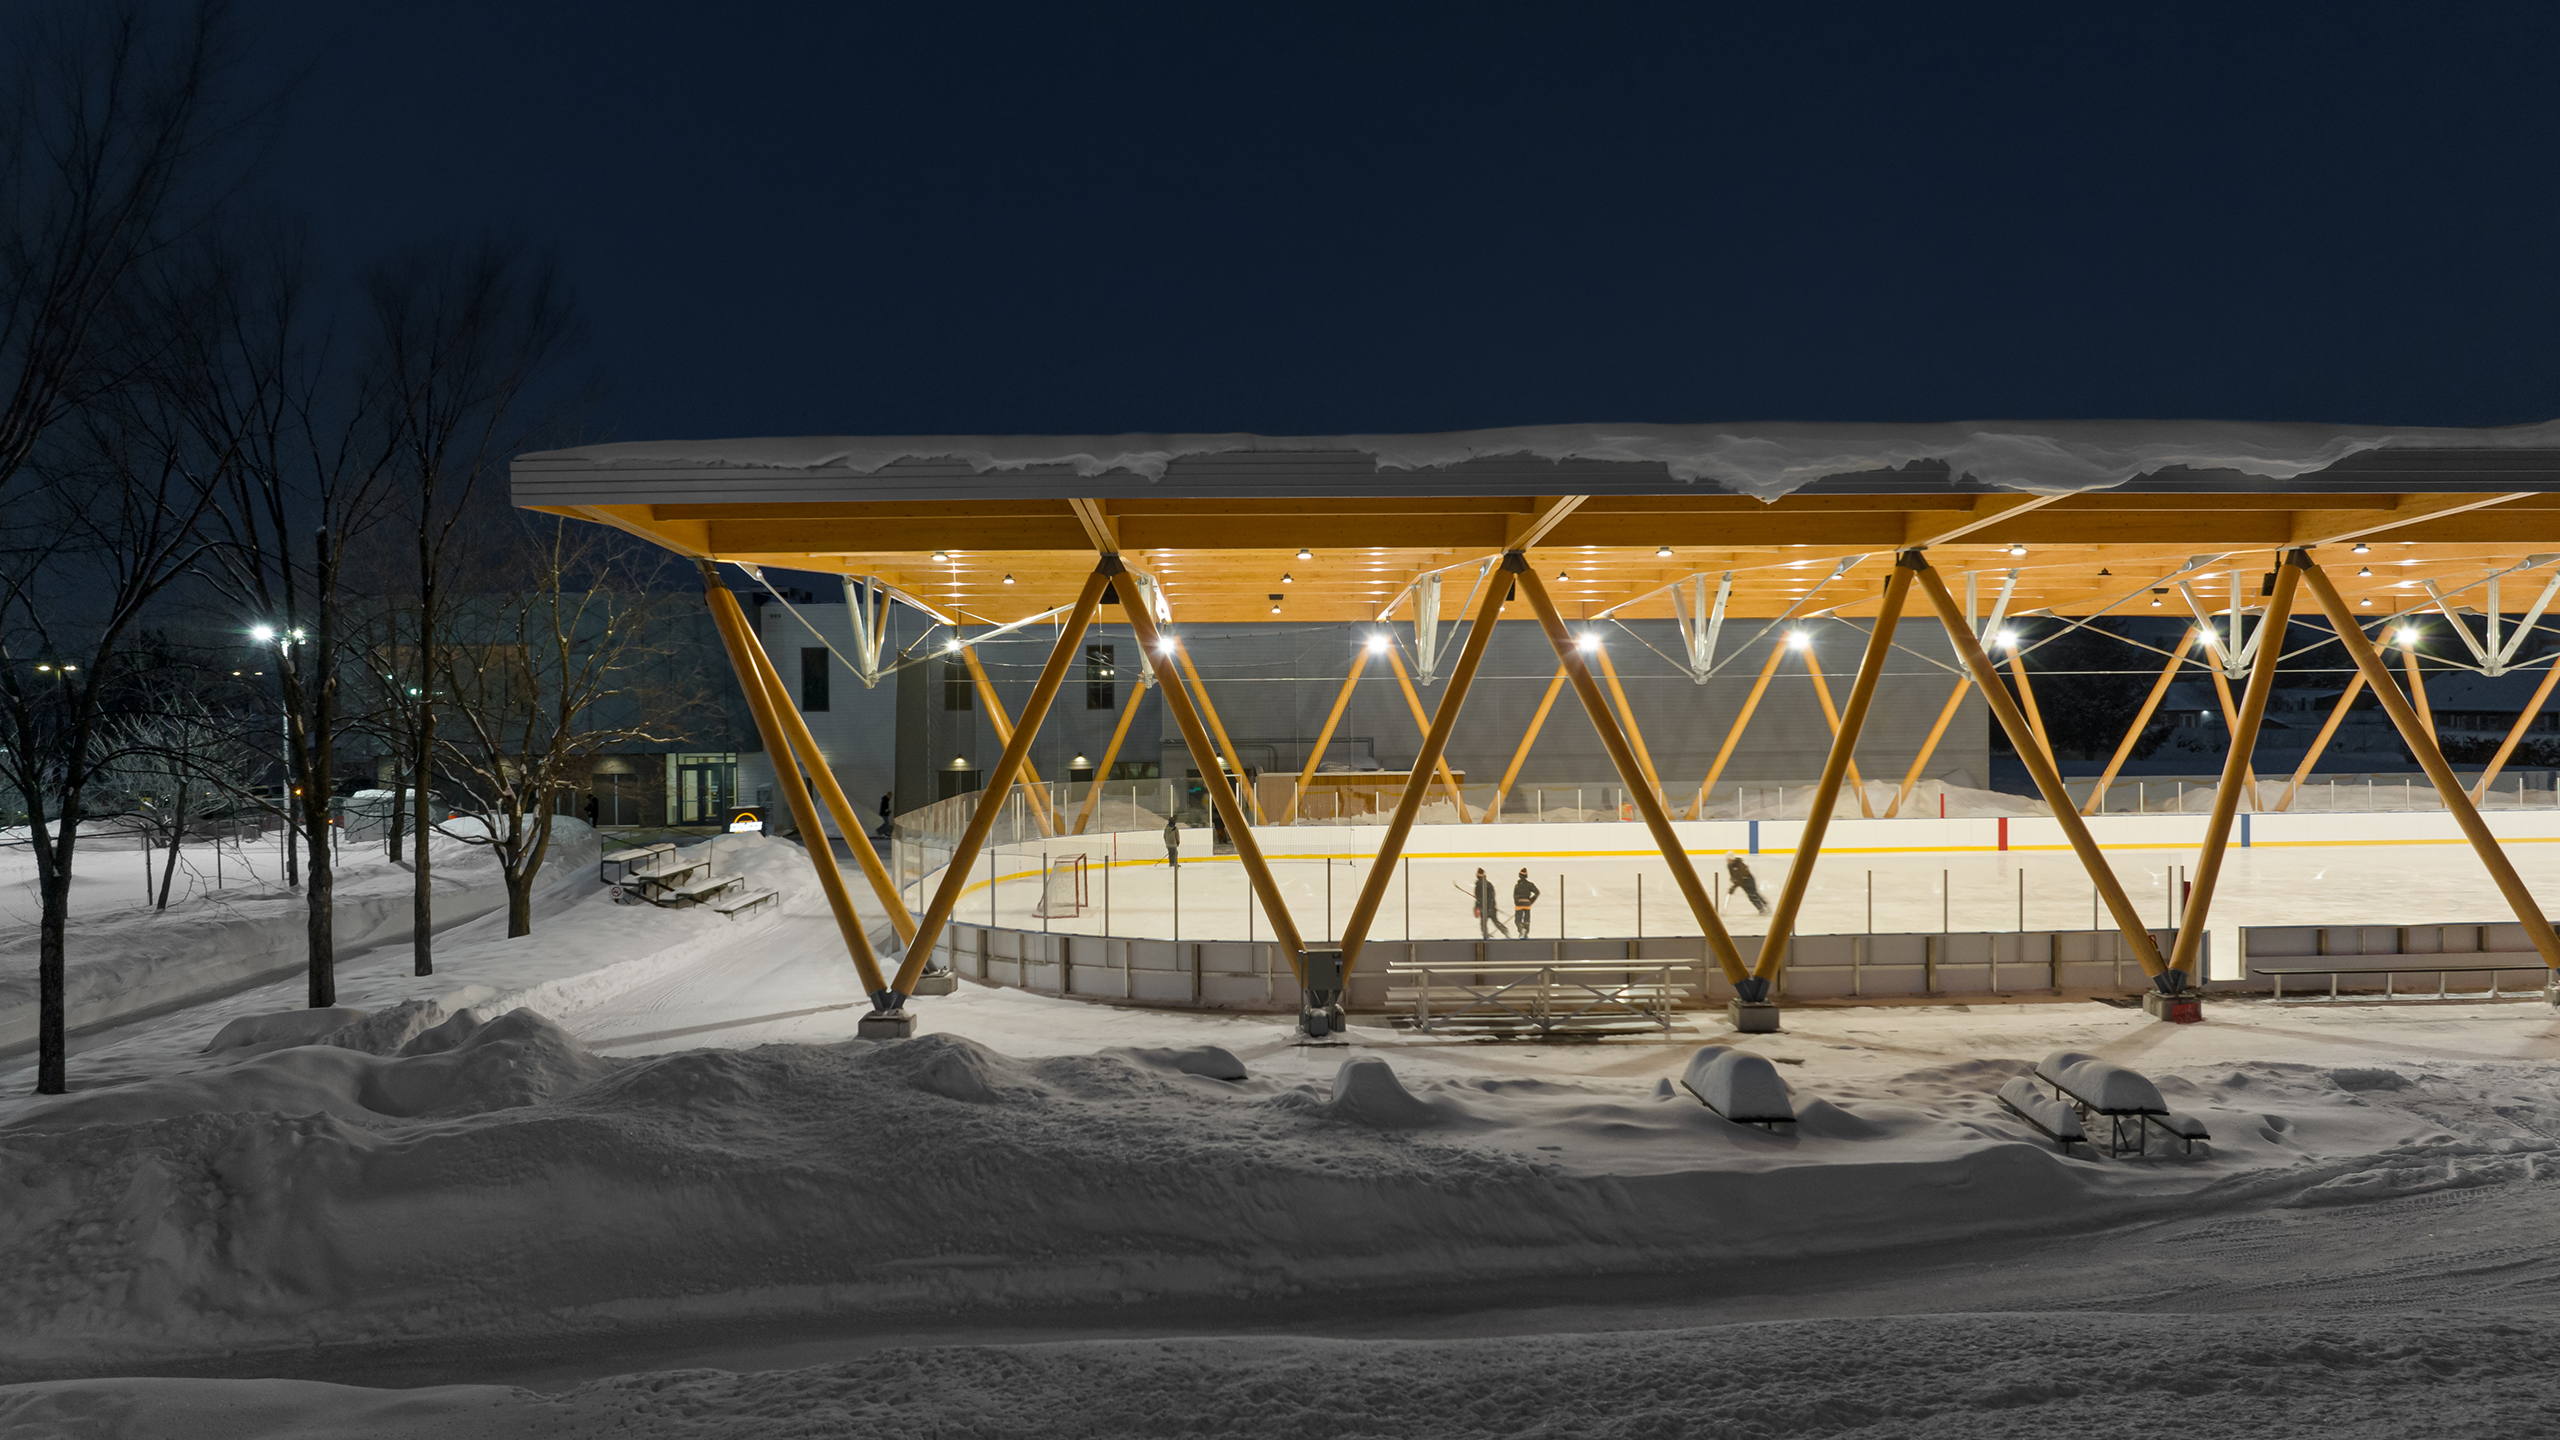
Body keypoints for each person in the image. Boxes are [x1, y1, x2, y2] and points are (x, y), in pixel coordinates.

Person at [1472, 867, 1505, 938]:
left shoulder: (1478, 885)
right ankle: (1506, 932)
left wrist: (1477, 907)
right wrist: (1492, 906)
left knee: (1483, 924)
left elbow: (1479, 898)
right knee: (1496, 922)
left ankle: (1486, 937)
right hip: (1492, 907)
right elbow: (1492, 896)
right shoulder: (1489, 884)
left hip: (1484, 908)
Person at [1512, 868, 1540, 938]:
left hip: (1519, 904)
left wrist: (1517, 902)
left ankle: (1521, 930)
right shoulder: (1530, 885)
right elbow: (1537, 892)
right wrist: (1531, 901)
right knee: (1526, 919)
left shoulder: (1517, 886)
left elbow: (1515, 895)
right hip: (1527, 904)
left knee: (1518, 920)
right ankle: (1525, 931)